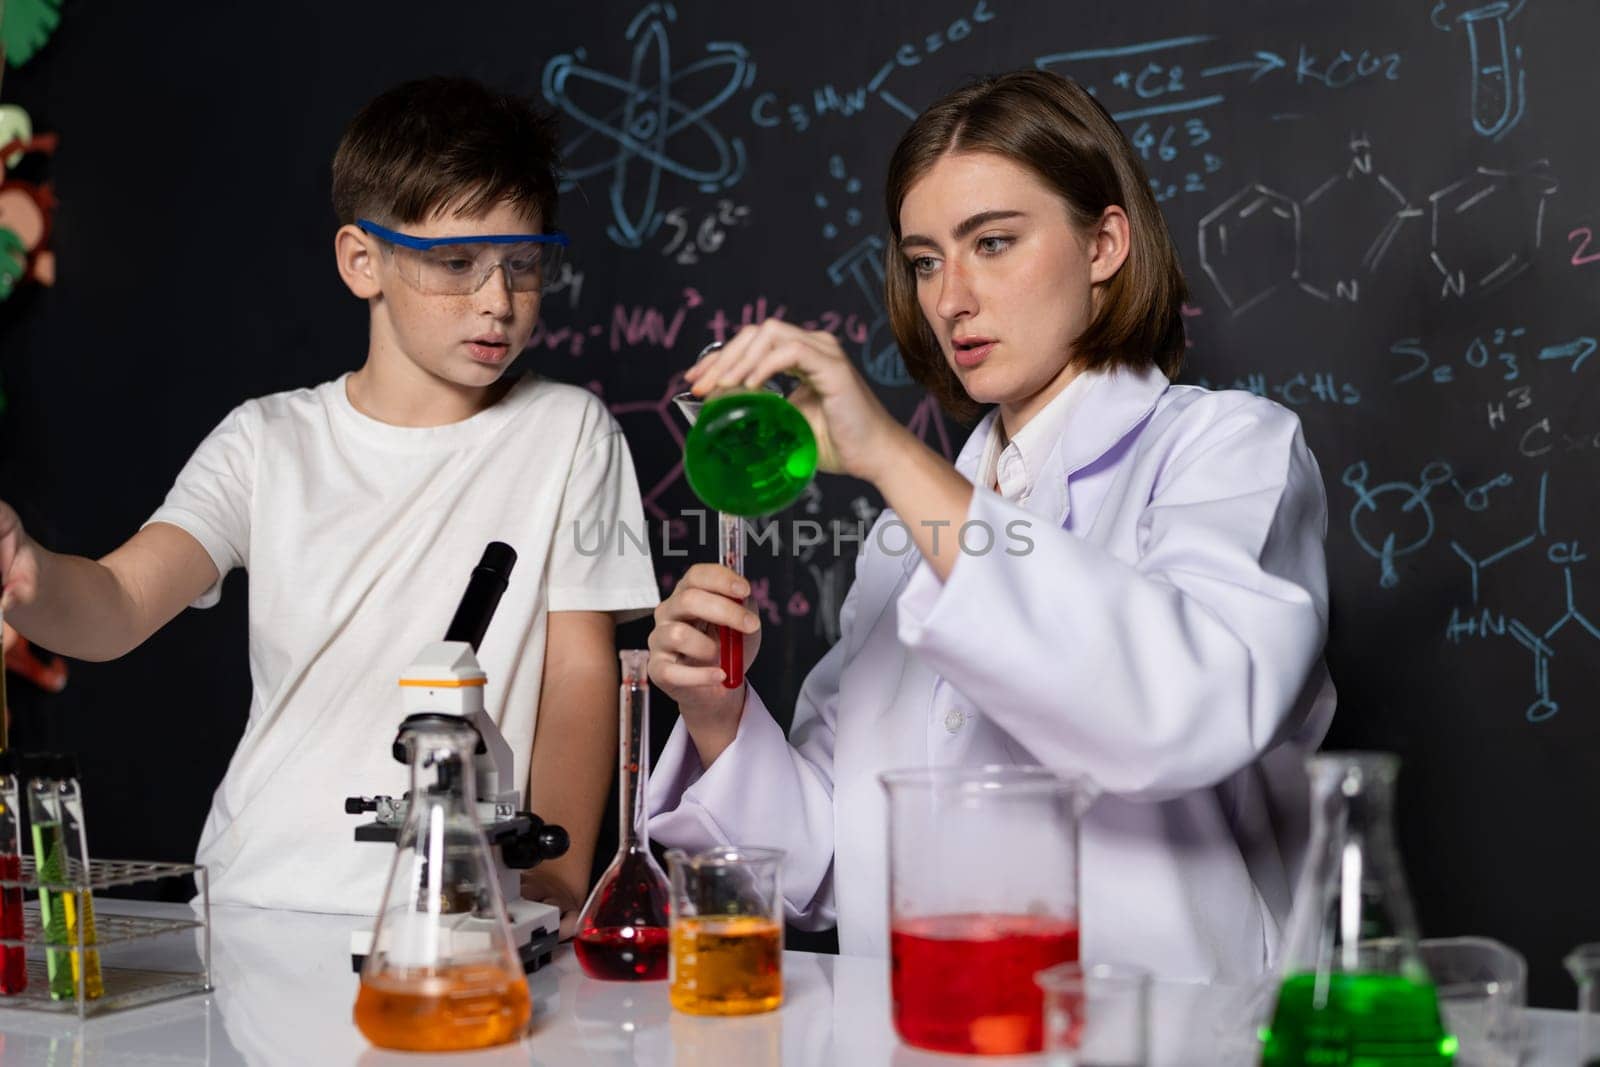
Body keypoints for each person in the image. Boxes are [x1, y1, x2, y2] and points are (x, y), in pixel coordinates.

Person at [645, 69, 1336, 981]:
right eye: (925, 259)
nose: (949, 299)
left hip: (1162, 1032)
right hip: (928, 1031)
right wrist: (720, 718)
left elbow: (1181, 709)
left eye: (994, 243)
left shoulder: (1226, 451)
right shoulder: (905, 538)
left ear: (1105, 243)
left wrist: (892, 457)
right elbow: (832, 866)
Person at [0, 78, 658, 929]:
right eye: (456, 264)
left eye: (523, 264)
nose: (497, 299)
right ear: (362, 261)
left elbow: (576, 673)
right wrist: (30, 571)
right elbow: (117, 605)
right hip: (257, 900)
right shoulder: (266, 441)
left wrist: (559, 888)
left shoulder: (570, 433)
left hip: (459, 920)